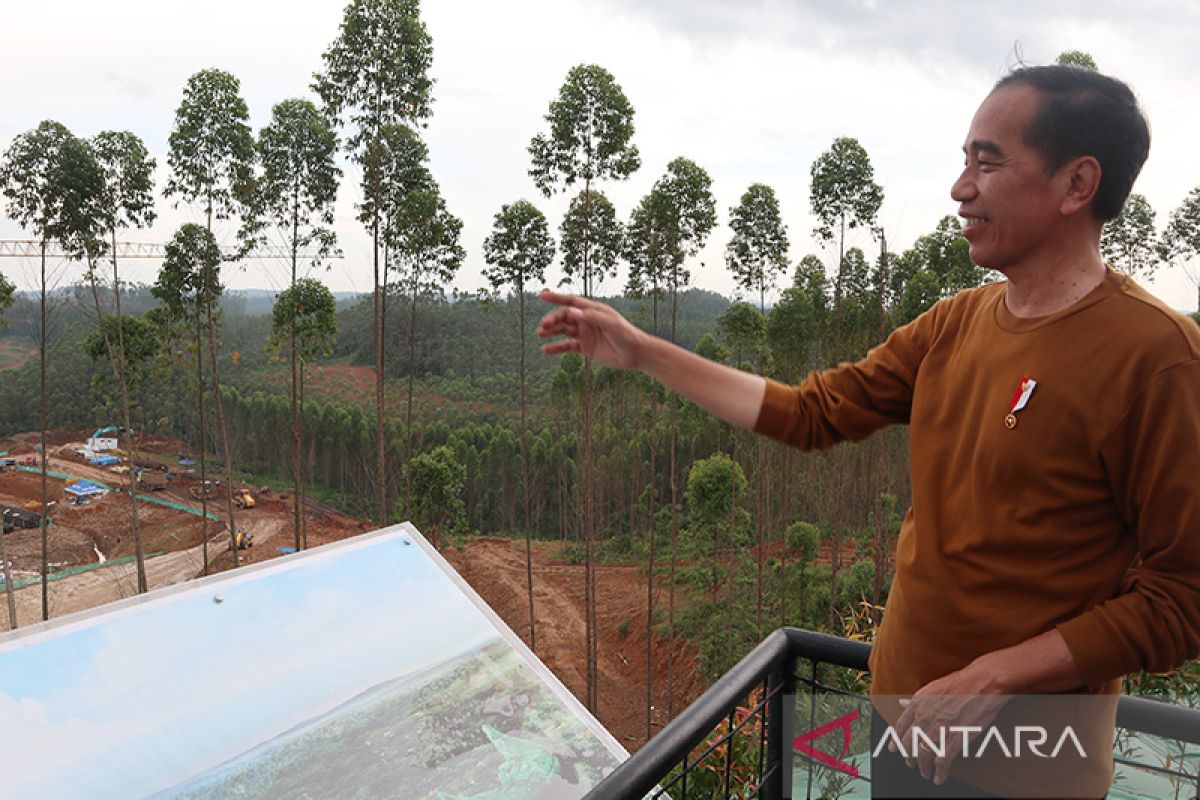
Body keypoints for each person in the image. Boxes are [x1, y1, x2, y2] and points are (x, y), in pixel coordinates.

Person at [537, 65, 1200, 798]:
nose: (960, 187)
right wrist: (641, 352)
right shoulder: (953, 326)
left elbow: (1184, 599)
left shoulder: (1155, 356)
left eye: (988, 162)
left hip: (1029, 768)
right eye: (963, 161)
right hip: (906, 726)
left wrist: (995, 676)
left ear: (1077, 185)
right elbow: (811, 414)